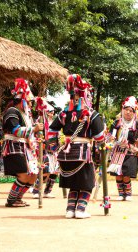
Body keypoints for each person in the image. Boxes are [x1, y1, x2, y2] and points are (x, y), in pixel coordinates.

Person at [49, 74, 104, 219]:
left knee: (74, 182)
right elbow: (99, 137)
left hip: (65, 154)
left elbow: (51, 131)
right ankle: (80, 210)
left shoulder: (64, 113)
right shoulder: (92, 114)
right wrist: (101, 144)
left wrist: (55, 148)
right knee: (86, 183)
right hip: (82, 153)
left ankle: (70, 210)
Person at [2, 78, 43, 207]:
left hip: (26, 148)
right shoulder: (12, 111)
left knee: (33, 176)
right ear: (23, 101)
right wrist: (34, 129)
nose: (31, 105)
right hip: (14, 147)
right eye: (30, 102)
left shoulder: (25, 115)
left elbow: (28, 132)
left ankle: (18, 198)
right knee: (24, 175)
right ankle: (11, 200)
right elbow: (16, 131)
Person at [108, 96, 138, 201]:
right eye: (126, 110)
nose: (128, 112)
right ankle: (121, 194)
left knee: (126, 175)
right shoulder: (116, 122)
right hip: (117, 151)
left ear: (134, 112)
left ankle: (128, 194)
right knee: (118, 175)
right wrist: (110, 141)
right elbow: (110, 135)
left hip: (130, 151)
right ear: (122, 110)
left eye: (130, 110)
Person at [31, 105, 59, 199]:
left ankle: (47, 191)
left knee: (55, 171)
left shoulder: (55, 122)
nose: (51, 114)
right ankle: (36, 190)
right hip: (43, 149)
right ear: (45, 112)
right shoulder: (40, 121)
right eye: (49, 112)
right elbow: (34, 134)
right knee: (45, 170)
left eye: (52, 112)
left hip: (54, 150)